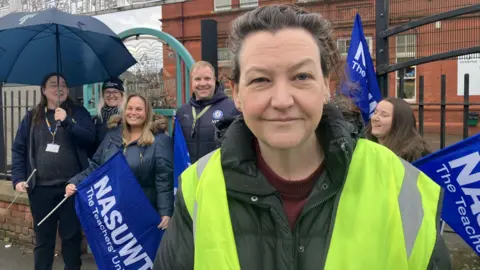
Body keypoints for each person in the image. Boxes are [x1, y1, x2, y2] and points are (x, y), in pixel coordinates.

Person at [154, 5, 451, 270]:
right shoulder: (198, 188)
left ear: (326, 86)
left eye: (301, 77)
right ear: (236, 93)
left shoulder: (402, 187)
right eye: (260, 80)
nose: (282, 100)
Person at [11, 73, 95, 270]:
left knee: (72, 239)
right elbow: (18, 149)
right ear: (43, 90)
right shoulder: (32, 117)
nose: (60, 88)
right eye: (53, 85)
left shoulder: (78, 112)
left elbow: (90, 139)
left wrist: (68, 122)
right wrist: (17, 178)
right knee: (43, 240)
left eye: (64, 85)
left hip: (71, 189)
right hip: (40, 190)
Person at [65, 94, 174, 229]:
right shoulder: (112, 136)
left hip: (144, 211)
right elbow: (96, 167)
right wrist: (75, 182)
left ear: (147, 113)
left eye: (139, 109)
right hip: (114, 213)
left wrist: (165, 211)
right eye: (130, 108)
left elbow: (164, 180)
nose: (133, 113)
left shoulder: (159, 140)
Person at [175, 60, 239, 163]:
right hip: (190, 175)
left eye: (207, 78)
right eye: (198, 79)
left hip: (218, 175)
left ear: (214, 80)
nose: (203, 83)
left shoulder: (232, 108)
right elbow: (177, 148)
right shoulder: (182, 112)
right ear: (191, 82)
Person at [365, 97, 432, 163]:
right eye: (375, 113)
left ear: (400, 121)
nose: (374, 118)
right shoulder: (364, 146)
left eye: (384, 115)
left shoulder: (415, 155)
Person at [89, 77, 125, 156]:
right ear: (103, 95)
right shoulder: (96, 120)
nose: (111, 95)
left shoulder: (127, 118)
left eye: (115, 92)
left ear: (121, 95)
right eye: (107, 92)